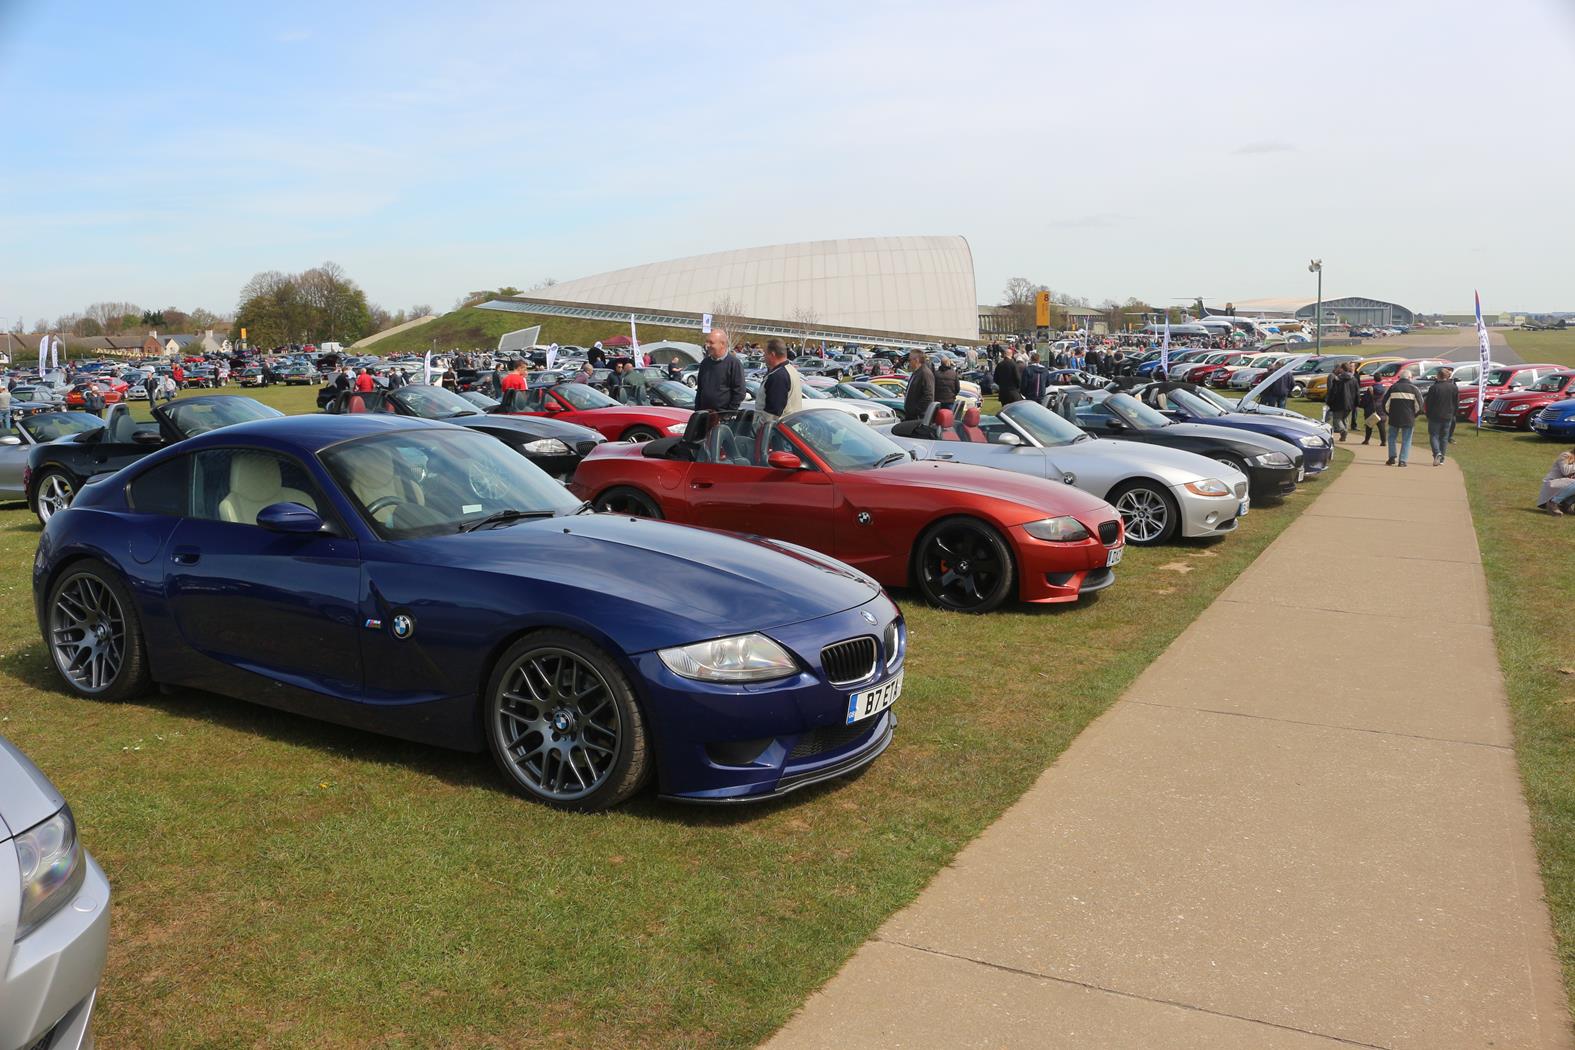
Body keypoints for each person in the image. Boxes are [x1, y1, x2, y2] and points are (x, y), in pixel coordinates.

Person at [756, 340, 802, 430]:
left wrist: (758, 429)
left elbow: (773, 412)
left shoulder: (778, 376)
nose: (764, 357)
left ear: (772, 354)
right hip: (788, 428)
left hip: (775, 432)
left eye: (765, 354)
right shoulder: (790, 370)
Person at [695, 329, 745, 411]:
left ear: (722, 344)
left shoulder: (734, 364)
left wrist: (728, 413)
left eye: (711, 342)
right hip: (704, 415)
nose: (707, 345)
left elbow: (739, 392)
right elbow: (700, 390)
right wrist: (697, 410)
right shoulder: (705, 363)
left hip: (722, 417)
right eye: (707, 342)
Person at [1381, 369, 1421, 466]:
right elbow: (1419, 405)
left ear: (1400, 377)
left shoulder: (1393, 388)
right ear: (1409, 378)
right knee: (1406, 439)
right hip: (1408, 417)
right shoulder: (1414, 389)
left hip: (1394, 417)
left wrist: (1389, 414)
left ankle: (1392, 457)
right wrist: (1414, 415)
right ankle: (1402, 460)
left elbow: (1385, 404)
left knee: (1391, 438)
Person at [1423, 366, 1459, 465]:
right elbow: (1456, 403)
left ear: (1438, 376)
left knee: (1434, 435)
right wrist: (1454, 414)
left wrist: (1428, 414)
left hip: (1435, 415)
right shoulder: (1453, 387)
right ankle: (1441, 458)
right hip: (1448, 416)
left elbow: (1428, 403)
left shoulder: (1434, 388)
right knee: (1444, 437)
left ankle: (1437, 453)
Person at [1325, 362, 1358, 441]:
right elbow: (1357, 392)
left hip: (1338, 403)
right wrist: (1356, 403)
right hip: (1350, 403)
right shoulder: (1354, 379)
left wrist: (1329, 402)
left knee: (1337, 419)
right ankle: (1343, 436)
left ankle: (1343, 431)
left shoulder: (1338, 379)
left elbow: (1333, 392)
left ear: (1342, 369)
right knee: (1344, 418)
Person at [1537, 447, 1575, 515]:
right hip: (1552, 484)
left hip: (1564, 487)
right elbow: (1565, 471)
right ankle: (1553, 502)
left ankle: (1565, 505)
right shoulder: (1566, 455)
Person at [902, 349, 936, 422]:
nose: (909, 363)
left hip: (917, 418)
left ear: (916, 360)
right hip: (911, 416)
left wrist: (916, 412)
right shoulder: (916, 372)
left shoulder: (925, 373)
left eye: (910, 360)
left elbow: (928, 396)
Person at [1359, 380, 1386, 446]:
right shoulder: (1384, 389)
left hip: (1371, 410)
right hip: (1381, 410)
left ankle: (1367, 440)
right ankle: (1383, 441)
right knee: (1381, 427)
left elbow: (1365, 400)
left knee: (1369, 426)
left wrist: (1361, 404)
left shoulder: (1370, 389)